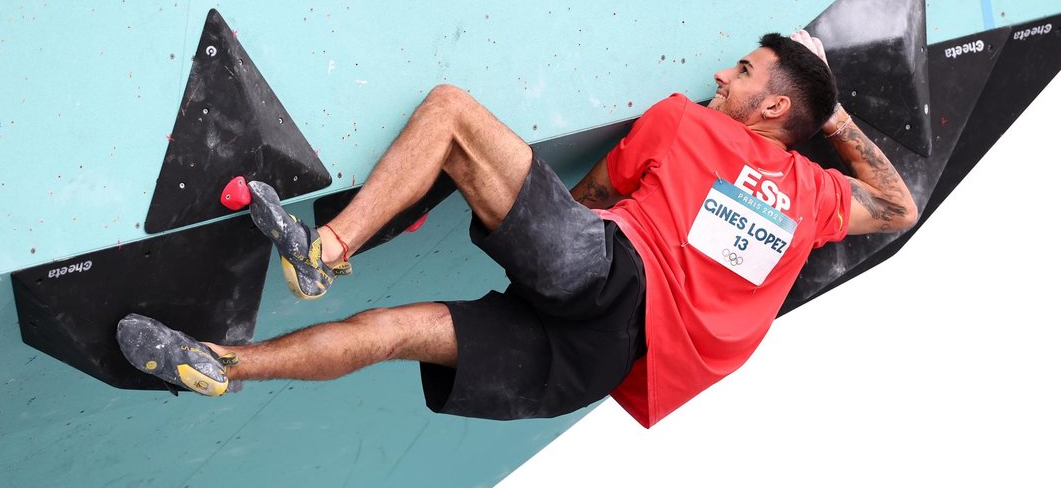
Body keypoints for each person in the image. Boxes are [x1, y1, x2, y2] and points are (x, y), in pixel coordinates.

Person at [116, 29, 917, 427]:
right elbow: (896, 207)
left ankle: (325, 250)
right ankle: (224, 366)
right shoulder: (813, 196)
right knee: (394, 332)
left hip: (602, 273)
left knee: (451, 114)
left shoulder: (687, 124)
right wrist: (837, 120)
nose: (722, 74)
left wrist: (543, 224)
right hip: (598, 362)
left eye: (744, 71)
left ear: (774, 106)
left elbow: (595, 194)